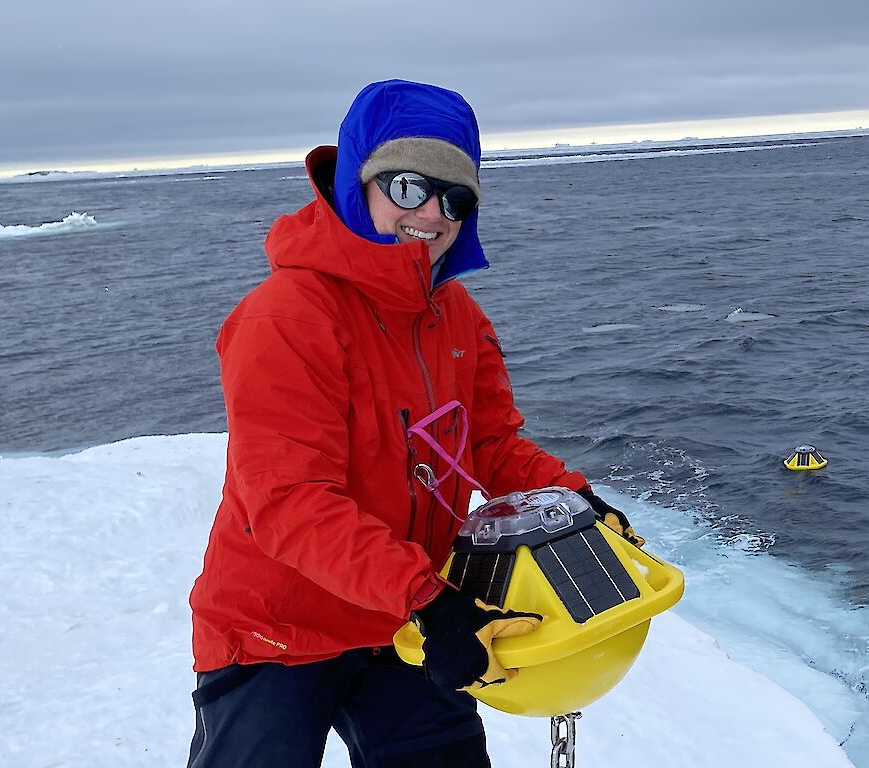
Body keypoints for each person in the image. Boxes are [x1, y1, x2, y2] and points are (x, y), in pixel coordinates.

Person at [186, 79, 643, 768]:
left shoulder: (457, 317)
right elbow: (288, 503)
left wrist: (574, 499)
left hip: (404, 621)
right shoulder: (286, 316)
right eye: (408, 187)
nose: (432, 212)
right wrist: (431, 599)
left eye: (455, 197)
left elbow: (490, 445)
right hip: (279, 626)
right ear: (356, 182)